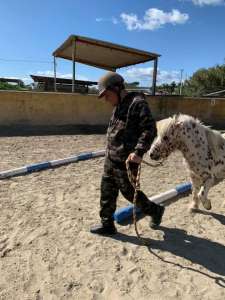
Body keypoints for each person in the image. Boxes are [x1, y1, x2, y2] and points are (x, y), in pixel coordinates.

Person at [90, 71, 165, 235]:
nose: (106, 99)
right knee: (106, 191)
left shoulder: (137, 103)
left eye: (107, 95)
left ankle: (155, 211)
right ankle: (107, 224)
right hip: (111, 158)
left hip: (126, 161)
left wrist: (138, 152)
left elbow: (149, 129)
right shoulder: (118, 104)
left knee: (131, 194)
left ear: (117, 88)